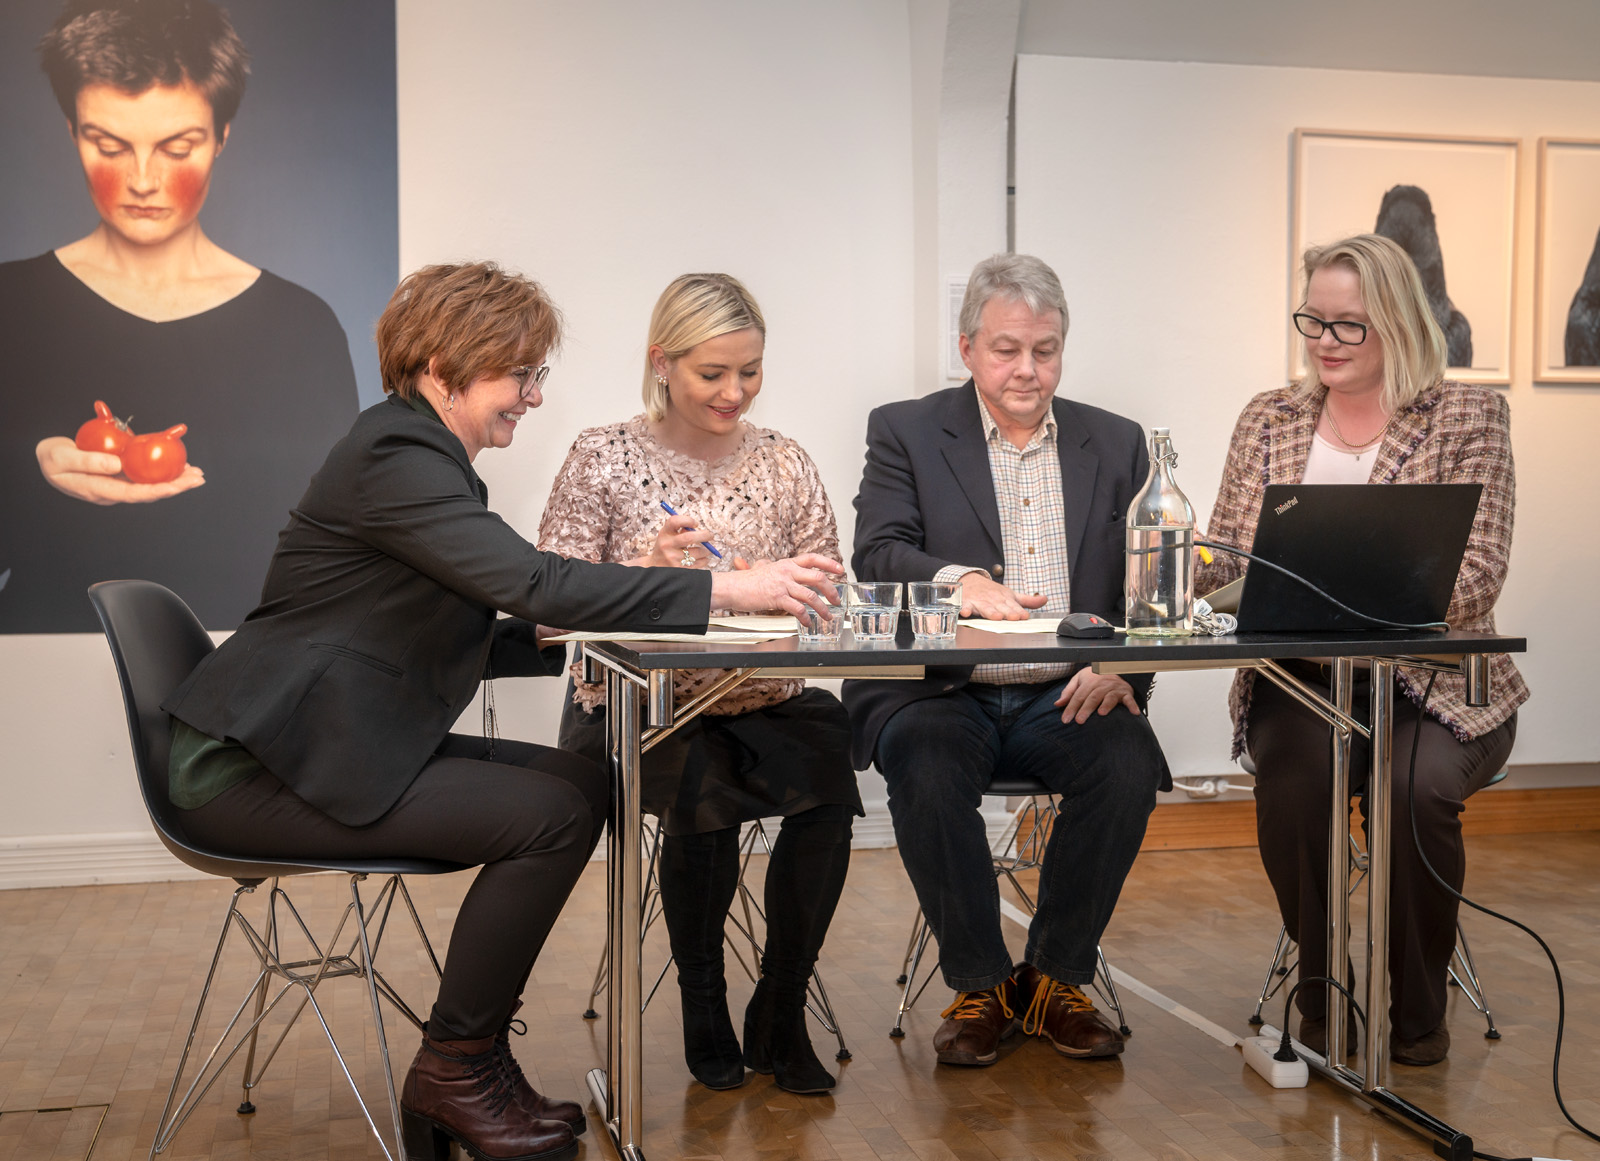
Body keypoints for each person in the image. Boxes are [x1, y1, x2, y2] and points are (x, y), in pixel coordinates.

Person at [160, 262, 844, 1161]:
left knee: (579, 783)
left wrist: (608, 611)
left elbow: (477, 629)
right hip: (249, 770)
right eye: (518, 374)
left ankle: (472, 1057)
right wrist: (725, 587)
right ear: (442, 370)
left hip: (316, 744)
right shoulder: (397, 458)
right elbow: (531, 581)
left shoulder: (417, 457)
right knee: (552, 813)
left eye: (535, 373)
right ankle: (455, 1066)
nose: (533, 394)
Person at [1198, 233, 1527, 1066]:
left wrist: (1320, 592)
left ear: (1399, 321)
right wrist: (1187, 567)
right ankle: (1322, 996)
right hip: (1301, 685)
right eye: (1313, 320)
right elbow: (1225, 562)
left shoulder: (1468, 416)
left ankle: (1416, 1017)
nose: (1325, 341)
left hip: (1437, 689)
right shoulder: (1268, 417)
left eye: (1349, 324)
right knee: (1297, 788)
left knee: (1411, 792)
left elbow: (1476, 573)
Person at [845, 253, 1171, 1069]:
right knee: (924, 762)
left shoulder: (1118, 442)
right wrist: (961, 582)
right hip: (941, 689)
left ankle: (1055, 978)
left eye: (1045, 350)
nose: (1028, 369)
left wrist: (1124, 672)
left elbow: (1148, 587)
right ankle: (981, 985)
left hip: (1065, 692)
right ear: (967, 348)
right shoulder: (906, 430)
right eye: (1007, 349)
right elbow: (877, 551)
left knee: (1128, 764)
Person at [540, 273, 860, 1095]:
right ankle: (704, 1000)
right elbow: (549, 610)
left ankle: (780, 1003)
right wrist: (645, 571)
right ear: (662, 362)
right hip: (633, 709)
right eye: (712, 372)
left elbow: (833, 596)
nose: (734, 391)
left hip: (760, 698)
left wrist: (784, 588)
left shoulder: (783, 460)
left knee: (830, 759)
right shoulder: (603, 456)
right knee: (702, 776)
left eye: (750, 370)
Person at [0, 0, 358, 633]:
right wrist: (29, 471)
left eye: (177, 147)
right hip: (36, 664)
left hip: (245, 665)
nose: (143, 180)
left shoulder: (303, 328)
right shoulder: (9, 303)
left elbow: (336, 555)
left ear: (222, 136)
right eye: (109, 145)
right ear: (72, 131)